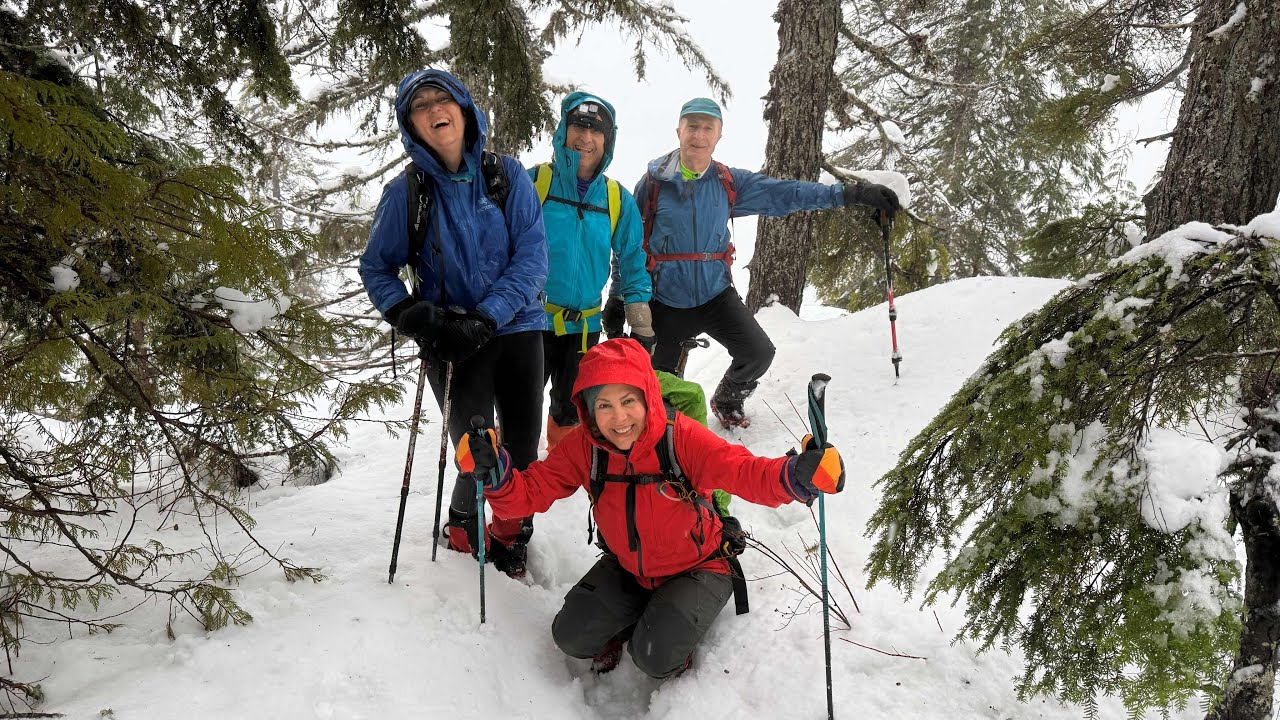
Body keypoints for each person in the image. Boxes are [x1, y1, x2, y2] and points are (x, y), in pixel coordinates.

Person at [454, 339, 846, 678]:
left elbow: (743, 471)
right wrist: (496, 475)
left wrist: (797, 475)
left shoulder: (682, 439)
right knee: (570, 637)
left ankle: (669, 633)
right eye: (603, 405)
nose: (618, 417)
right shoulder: (584, 447)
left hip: (699, 566)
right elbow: (530, 492)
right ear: (589, 411)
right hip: (629, 567)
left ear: (646, 397)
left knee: (654, 658)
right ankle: (640, 618)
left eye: (628, 401)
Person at [358, 69, 548, 578]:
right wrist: (407, 313)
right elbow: (376, 266)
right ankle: (464, 523)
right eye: (419, 105)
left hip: (519, 327)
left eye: (443, 98)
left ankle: (510, 530)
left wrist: (488, 316)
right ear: (410, 124)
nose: (433, 109)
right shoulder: (407, 192)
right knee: (477, 445)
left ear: (464, 109)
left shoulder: (507, 175)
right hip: (450, 339)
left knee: (524, 444)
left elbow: (532, 258)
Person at [635, 97, 901, 428]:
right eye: (692, 127)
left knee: (758, 353)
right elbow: (630, 242)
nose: (698, 136)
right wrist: (622, 296)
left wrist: (852, 194)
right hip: (667, 301)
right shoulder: (653, 185)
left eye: (707, 128)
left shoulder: (727, 183)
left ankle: (727, 399)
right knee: (656, 393)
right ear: (679, 131)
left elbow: (786, 194)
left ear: (718, 136)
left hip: (715, 296)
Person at [531, 92, 653, 452]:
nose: (586, 137)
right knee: (517, 400)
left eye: (596, 131)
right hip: (531, 321)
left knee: (571, 407)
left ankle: (561, 467)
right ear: (563, 132)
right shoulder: (535, 183)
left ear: (608, 141)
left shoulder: (616, 198)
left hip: (583, 327)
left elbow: (632, 259)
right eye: (578, 126)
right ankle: (513, 463)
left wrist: (639, 315)